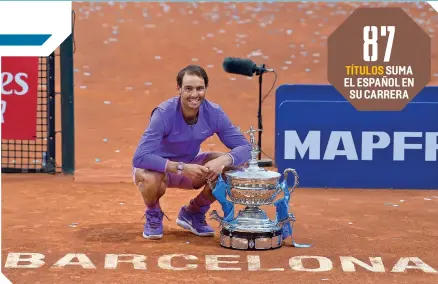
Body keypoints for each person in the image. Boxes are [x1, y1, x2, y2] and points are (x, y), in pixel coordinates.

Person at [132, 64, 251, 239]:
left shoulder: (214, 113)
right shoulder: (163, 114)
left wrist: (224, 160)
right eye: (188, 88)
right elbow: (140, 157)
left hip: (192, 167)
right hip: (160, 170)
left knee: (235, 168)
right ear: (179, 89)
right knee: (149, 177)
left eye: (199, 89)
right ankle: (153, 213)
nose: (194, 94)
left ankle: (194, 212)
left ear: (206, 89)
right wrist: (181, 168)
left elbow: (246, 148)